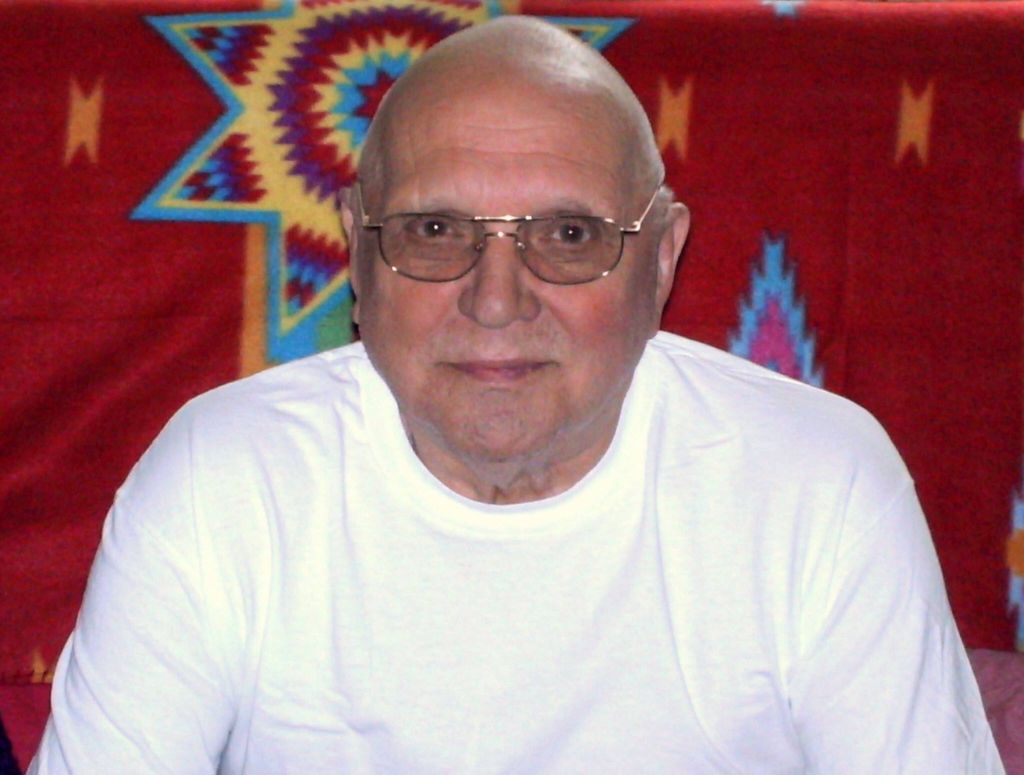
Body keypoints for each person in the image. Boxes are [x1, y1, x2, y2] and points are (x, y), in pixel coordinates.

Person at [31, 16, 1002, 774]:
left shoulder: (820, 486)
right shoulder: (219, 481)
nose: (496, 301)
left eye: (569, 238)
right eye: (436, 232)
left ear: (662, 258)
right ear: (358, 255)